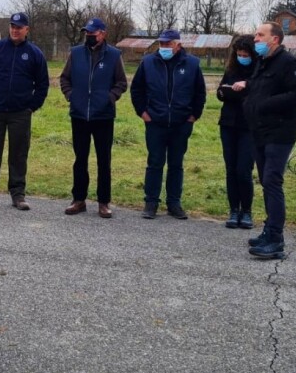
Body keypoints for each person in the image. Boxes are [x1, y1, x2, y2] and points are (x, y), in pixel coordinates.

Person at [0, 12, 50, 211]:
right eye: (12, 26)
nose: (15, 30)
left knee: (19, 154)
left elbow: (42, 84)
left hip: (20, 113)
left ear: (27, 30)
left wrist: (31, 106)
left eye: (19, 27)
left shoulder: (34, 54)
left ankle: (18, 194)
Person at [243, 22, 296, 259]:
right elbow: (261, 87)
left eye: (260, 35)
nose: (256, 39)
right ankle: (268, 230)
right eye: (256, 35)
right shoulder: (263, 62)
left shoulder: (287, 63)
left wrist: (266, 104)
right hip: (259, 131)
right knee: (265, 180)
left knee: (272, 181)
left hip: (279, 132)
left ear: (275, 39)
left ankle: (275, 239)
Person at [130, 28, 206, 220]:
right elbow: (137, 89)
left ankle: (174, 203)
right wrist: (143, 112)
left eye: (168, 44)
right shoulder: (148, 62)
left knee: (176, 164)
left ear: (178, 45)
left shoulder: (192, 64)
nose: (163, 47)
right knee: (154, 162)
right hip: (155, 122)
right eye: (161, 43)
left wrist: (193, 116)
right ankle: (151, 202)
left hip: (181, 123)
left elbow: (200, 93)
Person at [59, 18, 128, 218]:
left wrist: (109, 98)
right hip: (79, 115)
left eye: (93, 32)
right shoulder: (75, 53)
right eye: (86, 32)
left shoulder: (114, 55)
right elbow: (65, 78)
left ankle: (103, 202)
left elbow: (121, 83)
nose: (89, 35)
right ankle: (78, 200)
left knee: (103, 160)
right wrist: (71, 96)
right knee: (80, 159)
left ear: (103, 33)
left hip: (103, 116)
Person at [216, 35, 256, 229]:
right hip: (228, 124)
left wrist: (246, 86)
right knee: (231, 169)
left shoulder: (259, 71)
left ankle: (247, 211)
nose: (242, 57)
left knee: (243, 170)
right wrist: (225, 91)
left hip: (249, 127)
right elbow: (220, 92)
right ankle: (233, 210)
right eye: (239, 54)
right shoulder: (231, 70)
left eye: (245, 54)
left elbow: (261, 92)